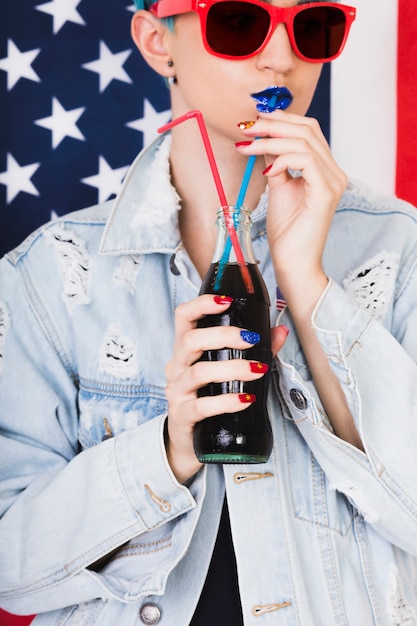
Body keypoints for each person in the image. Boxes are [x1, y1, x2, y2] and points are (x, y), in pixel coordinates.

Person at [1, 0, 417, 624]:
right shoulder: (47, 275)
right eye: (240, 20)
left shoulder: (399, 246)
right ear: (156, 42)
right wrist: (166, 452)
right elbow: (11, 569)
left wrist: (309, 287)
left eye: (312, 27)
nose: (283, 57)